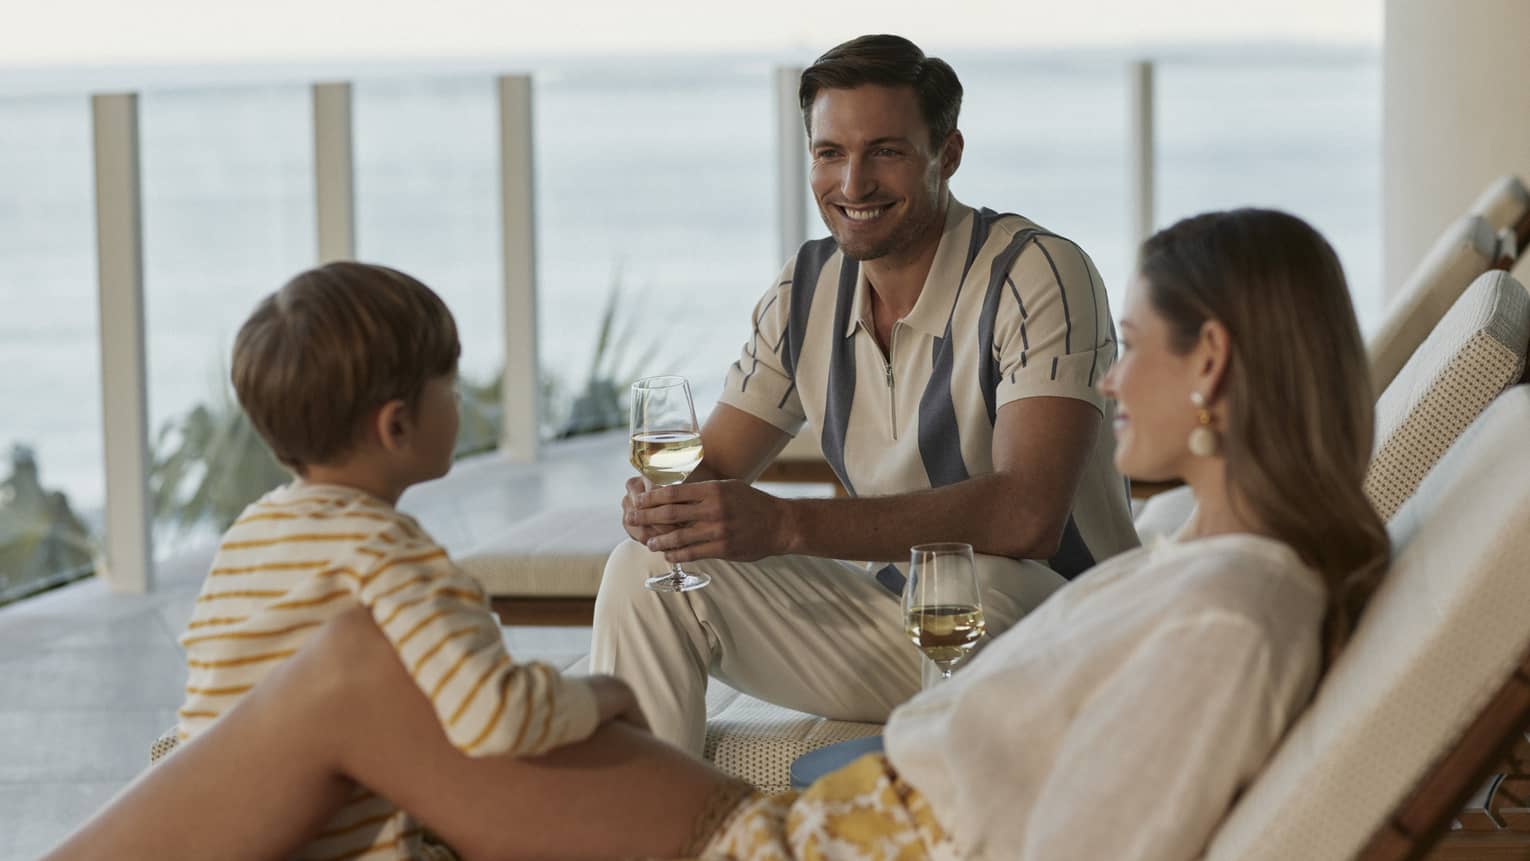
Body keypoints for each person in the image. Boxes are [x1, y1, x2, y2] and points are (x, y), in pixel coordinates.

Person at [47, 208, 1390, 860]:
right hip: (814, 819)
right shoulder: (1200, 566)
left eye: (1131, 350)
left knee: (353, 666)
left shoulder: (1227, 611)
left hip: (817, 852)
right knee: (399, 692)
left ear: (1209, 362)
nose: (1104, 380)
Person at [593, 33, 1140, 754]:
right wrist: (673, 506)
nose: (852, 184)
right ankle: (646, 826)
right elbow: (717, 467)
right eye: (830, 154)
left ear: (946, 155)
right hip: (897, 613)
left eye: (885, 151)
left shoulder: (1036, 273)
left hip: (1059, 625)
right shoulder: (806, 290)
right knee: (646, 570)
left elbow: (1027, 514)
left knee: (970, 584)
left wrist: (787, 526)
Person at [90, 261, 657, 860]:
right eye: (451, 386)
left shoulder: (245, 540)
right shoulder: (392, 557)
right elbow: (496, 717)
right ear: (398, 424)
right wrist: (603, 695)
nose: (460, 402)